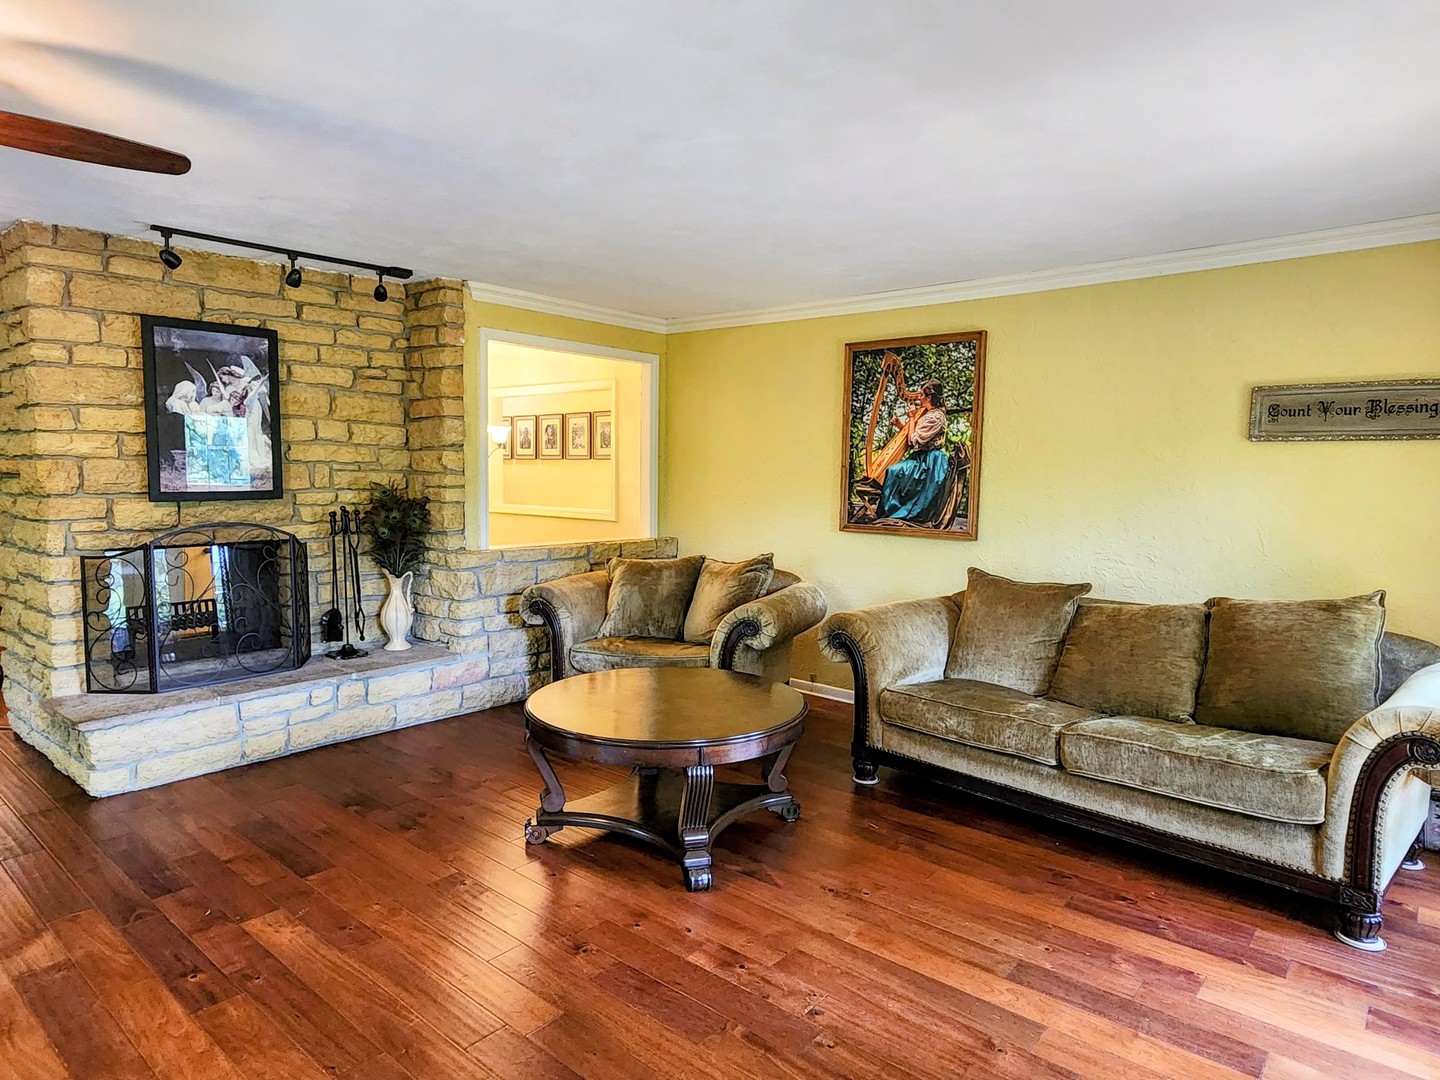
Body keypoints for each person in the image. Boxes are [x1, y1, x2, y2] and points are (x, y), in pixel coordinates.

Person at [876, 378, 952, 525]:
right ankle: (889, 509)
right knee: (894, 471)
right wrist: (900, 425)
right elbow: (914, 435)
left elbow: (913, 441)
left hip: (930, 462)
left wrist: (911, 417)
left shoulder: (936, 417)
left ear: (929, 397)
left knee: (893, 471)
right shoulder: (928, 413)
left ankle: (893, 511)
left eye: (922, 395)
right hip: (921, 457)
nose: (919, 397)